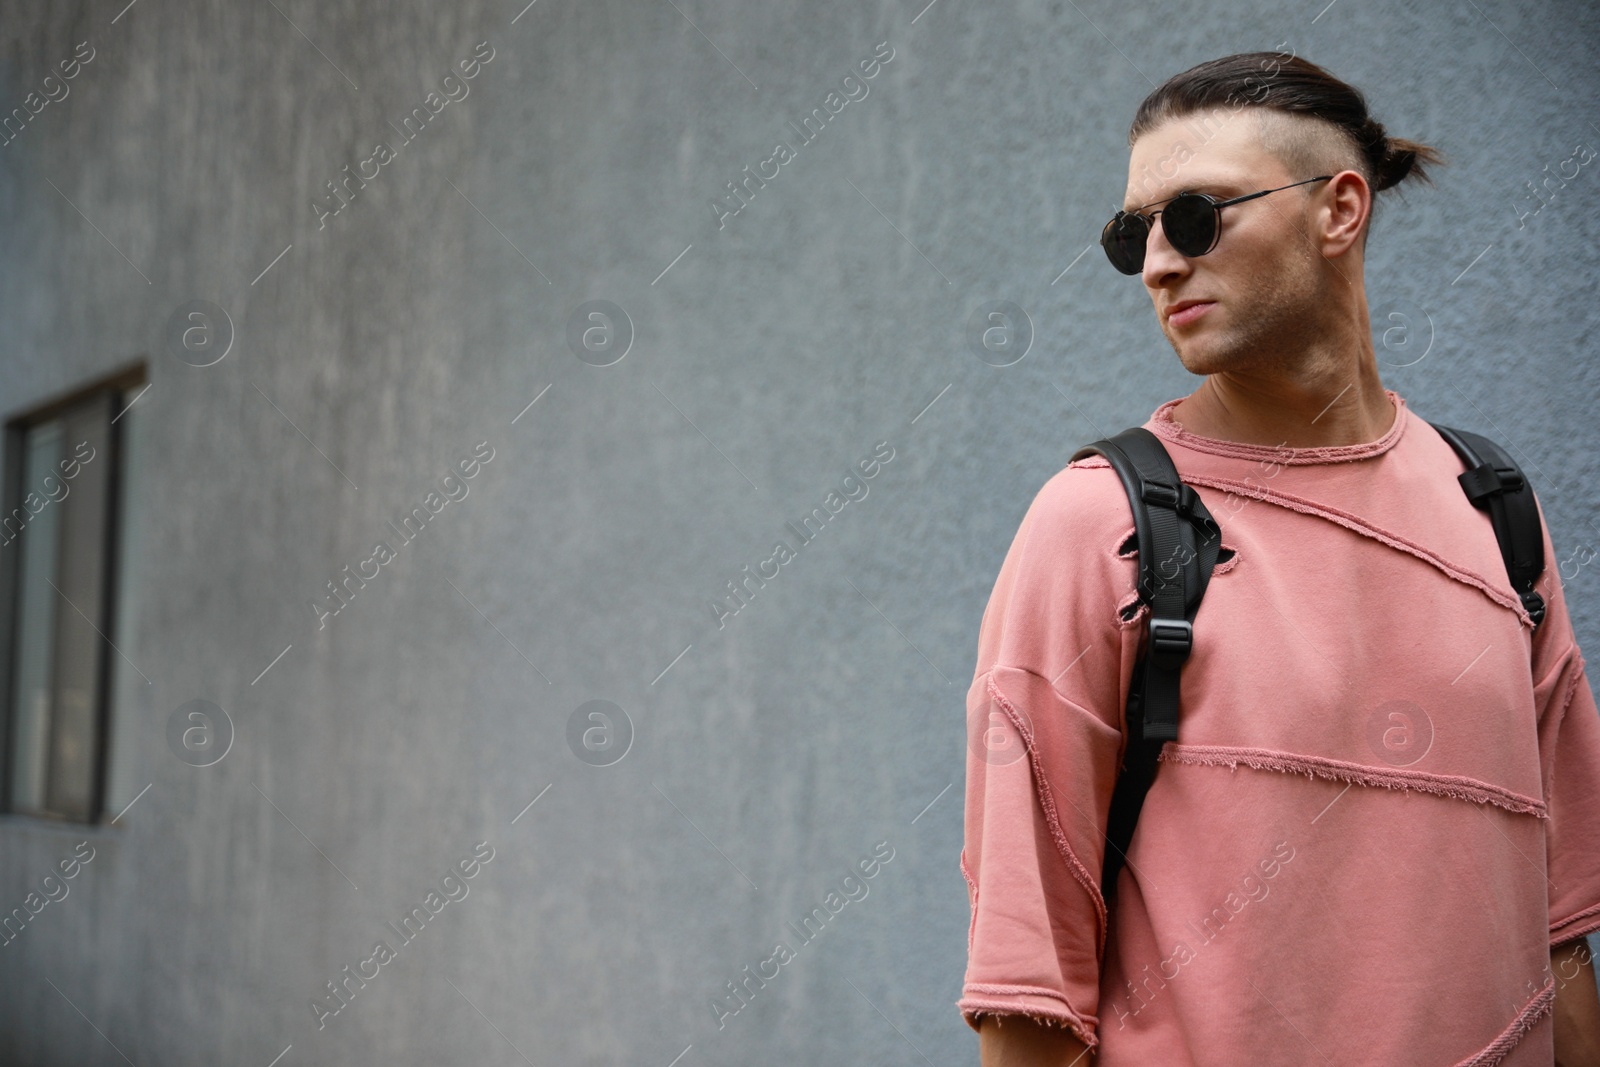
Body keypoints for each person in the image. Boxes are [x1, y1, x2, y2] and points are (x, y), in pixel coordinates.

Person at [958, 51, 1600, 1066]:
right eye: (1134, 234)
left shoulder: (1496, 512)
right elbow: (1026, 991)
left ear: (1338, 210)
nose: (1160, 262)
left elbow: (1561, 926)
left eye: (1197, 217)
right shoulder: (1099, 526)